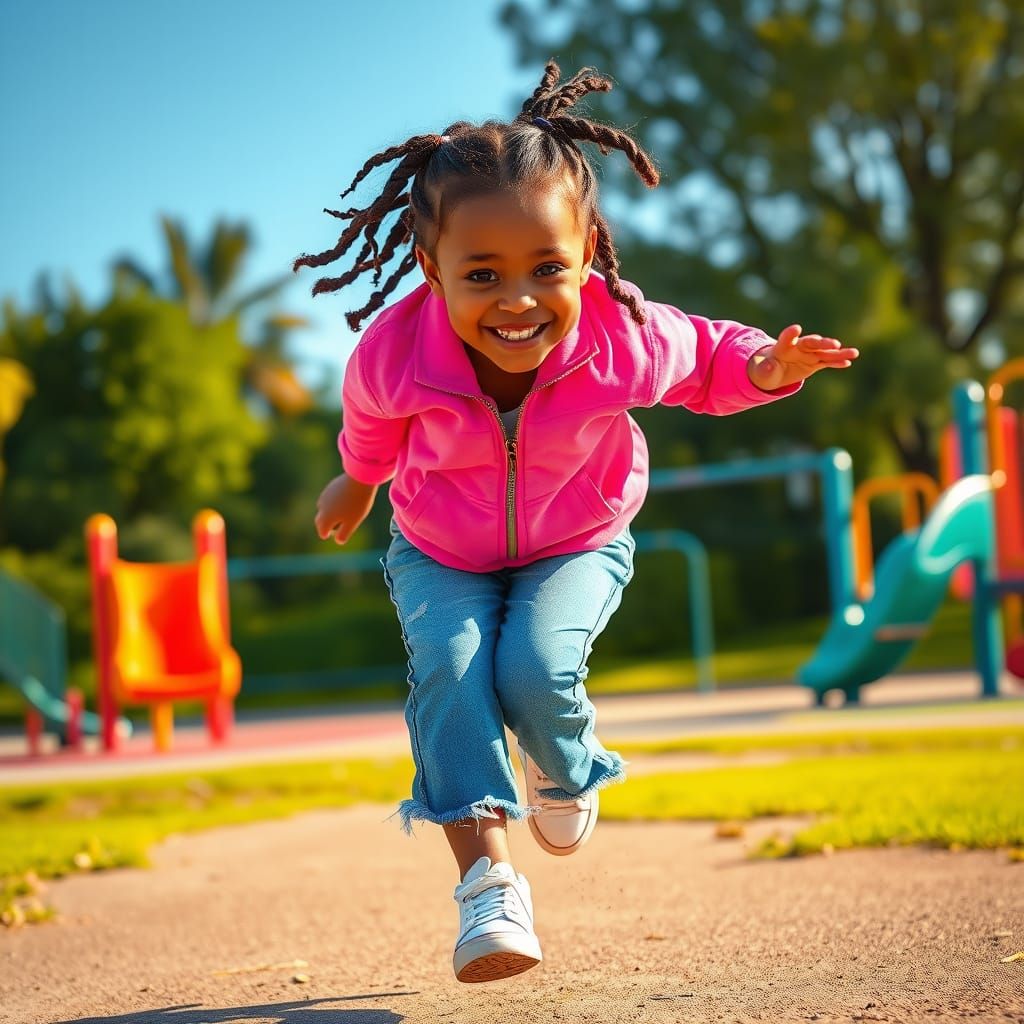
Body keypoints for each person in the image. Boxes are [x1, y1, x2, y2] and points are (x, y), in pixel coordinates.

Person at [296, 60, 858, 984]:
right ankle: (488, 885)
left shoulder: (616, 330)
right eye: (481, 273)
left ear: (588, 251)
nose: (517, 299)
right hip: (440, 547)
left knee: (535, 669)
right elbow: (370, 427)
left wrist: (766, 365)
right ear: (431, 268)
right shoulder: (394, 351)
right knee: (451, 670)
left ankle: (565, 767)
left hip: (579, 536)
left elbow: (707, 354)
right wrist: (357, 484)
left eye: (545, 268)